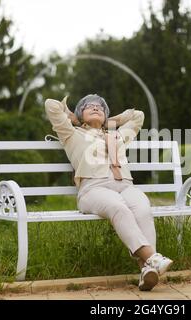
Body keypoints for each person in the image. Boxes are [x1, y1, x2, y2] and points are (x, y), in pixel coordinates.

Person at [44, 94, 173, 291]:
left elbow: (138, 116)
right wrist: (74, 118)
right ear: (79, 114)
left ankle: (147, 270)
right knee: (118, 207)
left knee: (143, 209)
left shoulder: (118, 136)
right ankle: (152, 258)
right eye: (89, 107)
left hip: (125, 186)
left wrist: (111, 121)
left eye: (100, 107)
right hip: (93, 189)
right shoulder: (71, 133)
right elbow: (50, 105)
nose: (95, 108)